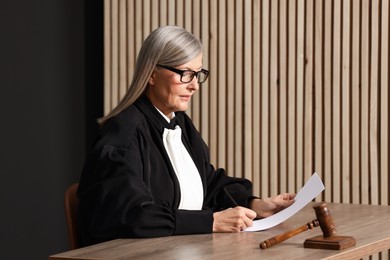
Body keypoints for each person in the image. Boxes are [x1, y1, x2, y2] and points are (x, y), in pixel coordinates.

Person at [77, 25, 296, 246]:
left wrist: (253, 205)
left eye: (197, 74)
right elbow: (133, 215)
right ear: (152, 74)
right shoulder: (123, 134)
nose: (194, 86)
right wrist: (210, 221)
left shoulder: (178, 120)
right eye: (185, 74)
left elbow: (207, 183)